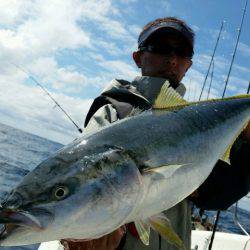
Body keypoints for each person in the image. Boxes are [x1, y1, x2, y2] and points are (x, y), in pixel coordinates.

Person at [62, 17, 250, 250]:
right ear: (138, 57)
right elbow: (84, 178)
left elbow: (215, 197)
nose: (171, 59)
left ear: (188, 65)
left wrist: (246, 145)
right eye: (160, 48)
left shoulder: (198, 125)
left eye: (181, 52)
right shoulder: (114, 113)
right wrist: (82, 231)